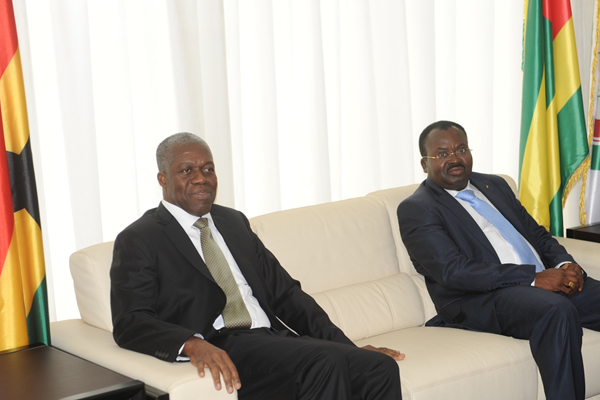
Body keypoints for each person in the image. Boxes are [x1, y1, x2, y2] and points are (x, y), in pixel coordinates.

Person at [110, 132, 404, 400]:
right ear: (163, 179)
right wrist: (191, 343)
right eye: (187, 170)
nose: (201, 178)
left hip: (271, 339)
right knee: (325, 362)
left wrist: (347, 347)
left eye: (208, 169)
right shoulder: (140, 238)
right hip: (223, 344)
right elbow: (130, 321)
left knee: (377, 366)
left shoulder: (233, 222)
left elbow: (287, 295)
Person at [397, 120, 600, 400]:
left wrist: (563, 265)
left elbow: (537, 234)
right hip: (482, 297)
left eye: (461, 149)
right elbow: (452, 271)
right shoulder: (417, 208)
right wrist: (533, 278)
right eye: (442, 154)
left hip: (542, 281)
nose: (455, 159)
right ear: (424, 164)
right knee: (555, 310)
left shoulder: (494, 185)